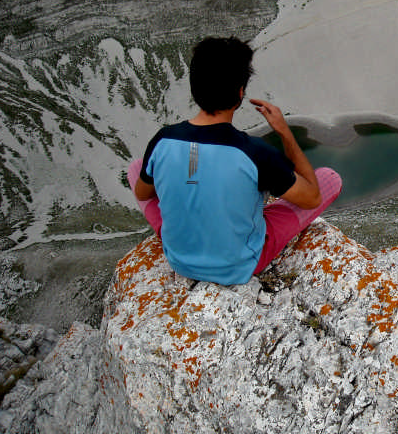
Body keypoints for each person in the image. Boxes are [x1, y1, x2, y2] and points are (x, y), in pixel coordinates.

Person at [127, 36, 341, 284]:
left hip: (180, 260)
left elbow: (143, 194)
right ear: (240, 94)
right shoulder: (255, 152)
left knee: (137, 169)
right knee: (329, 180)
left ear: (195, 88)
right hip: (239, 265)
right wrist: (284, 132)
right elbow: (312, 197)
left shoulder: (163, 139)